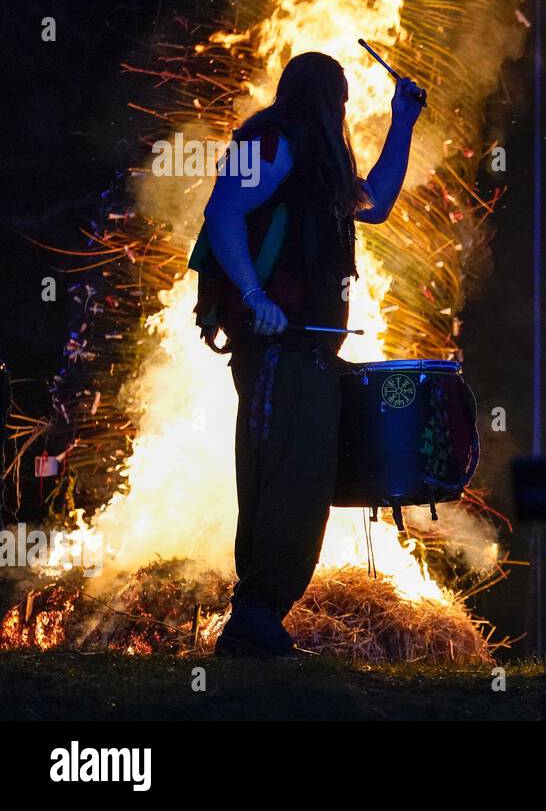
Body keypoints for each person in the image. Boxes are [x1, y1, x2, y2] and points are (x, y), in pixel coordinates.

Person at [189, 51, 426, 656]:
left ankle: (261, 616)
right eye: (340, 99)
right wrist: (252, 294)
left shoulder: (319, 157)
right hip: (277, 346)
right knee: (291, 470)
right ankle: (254, 617)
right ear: (323, 97)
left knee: (307, 468)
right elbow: (223, 210)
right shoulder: (274, 139)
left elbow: (374, 203)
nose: (342, 111)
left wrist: (402, 122)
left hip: (310, 346)